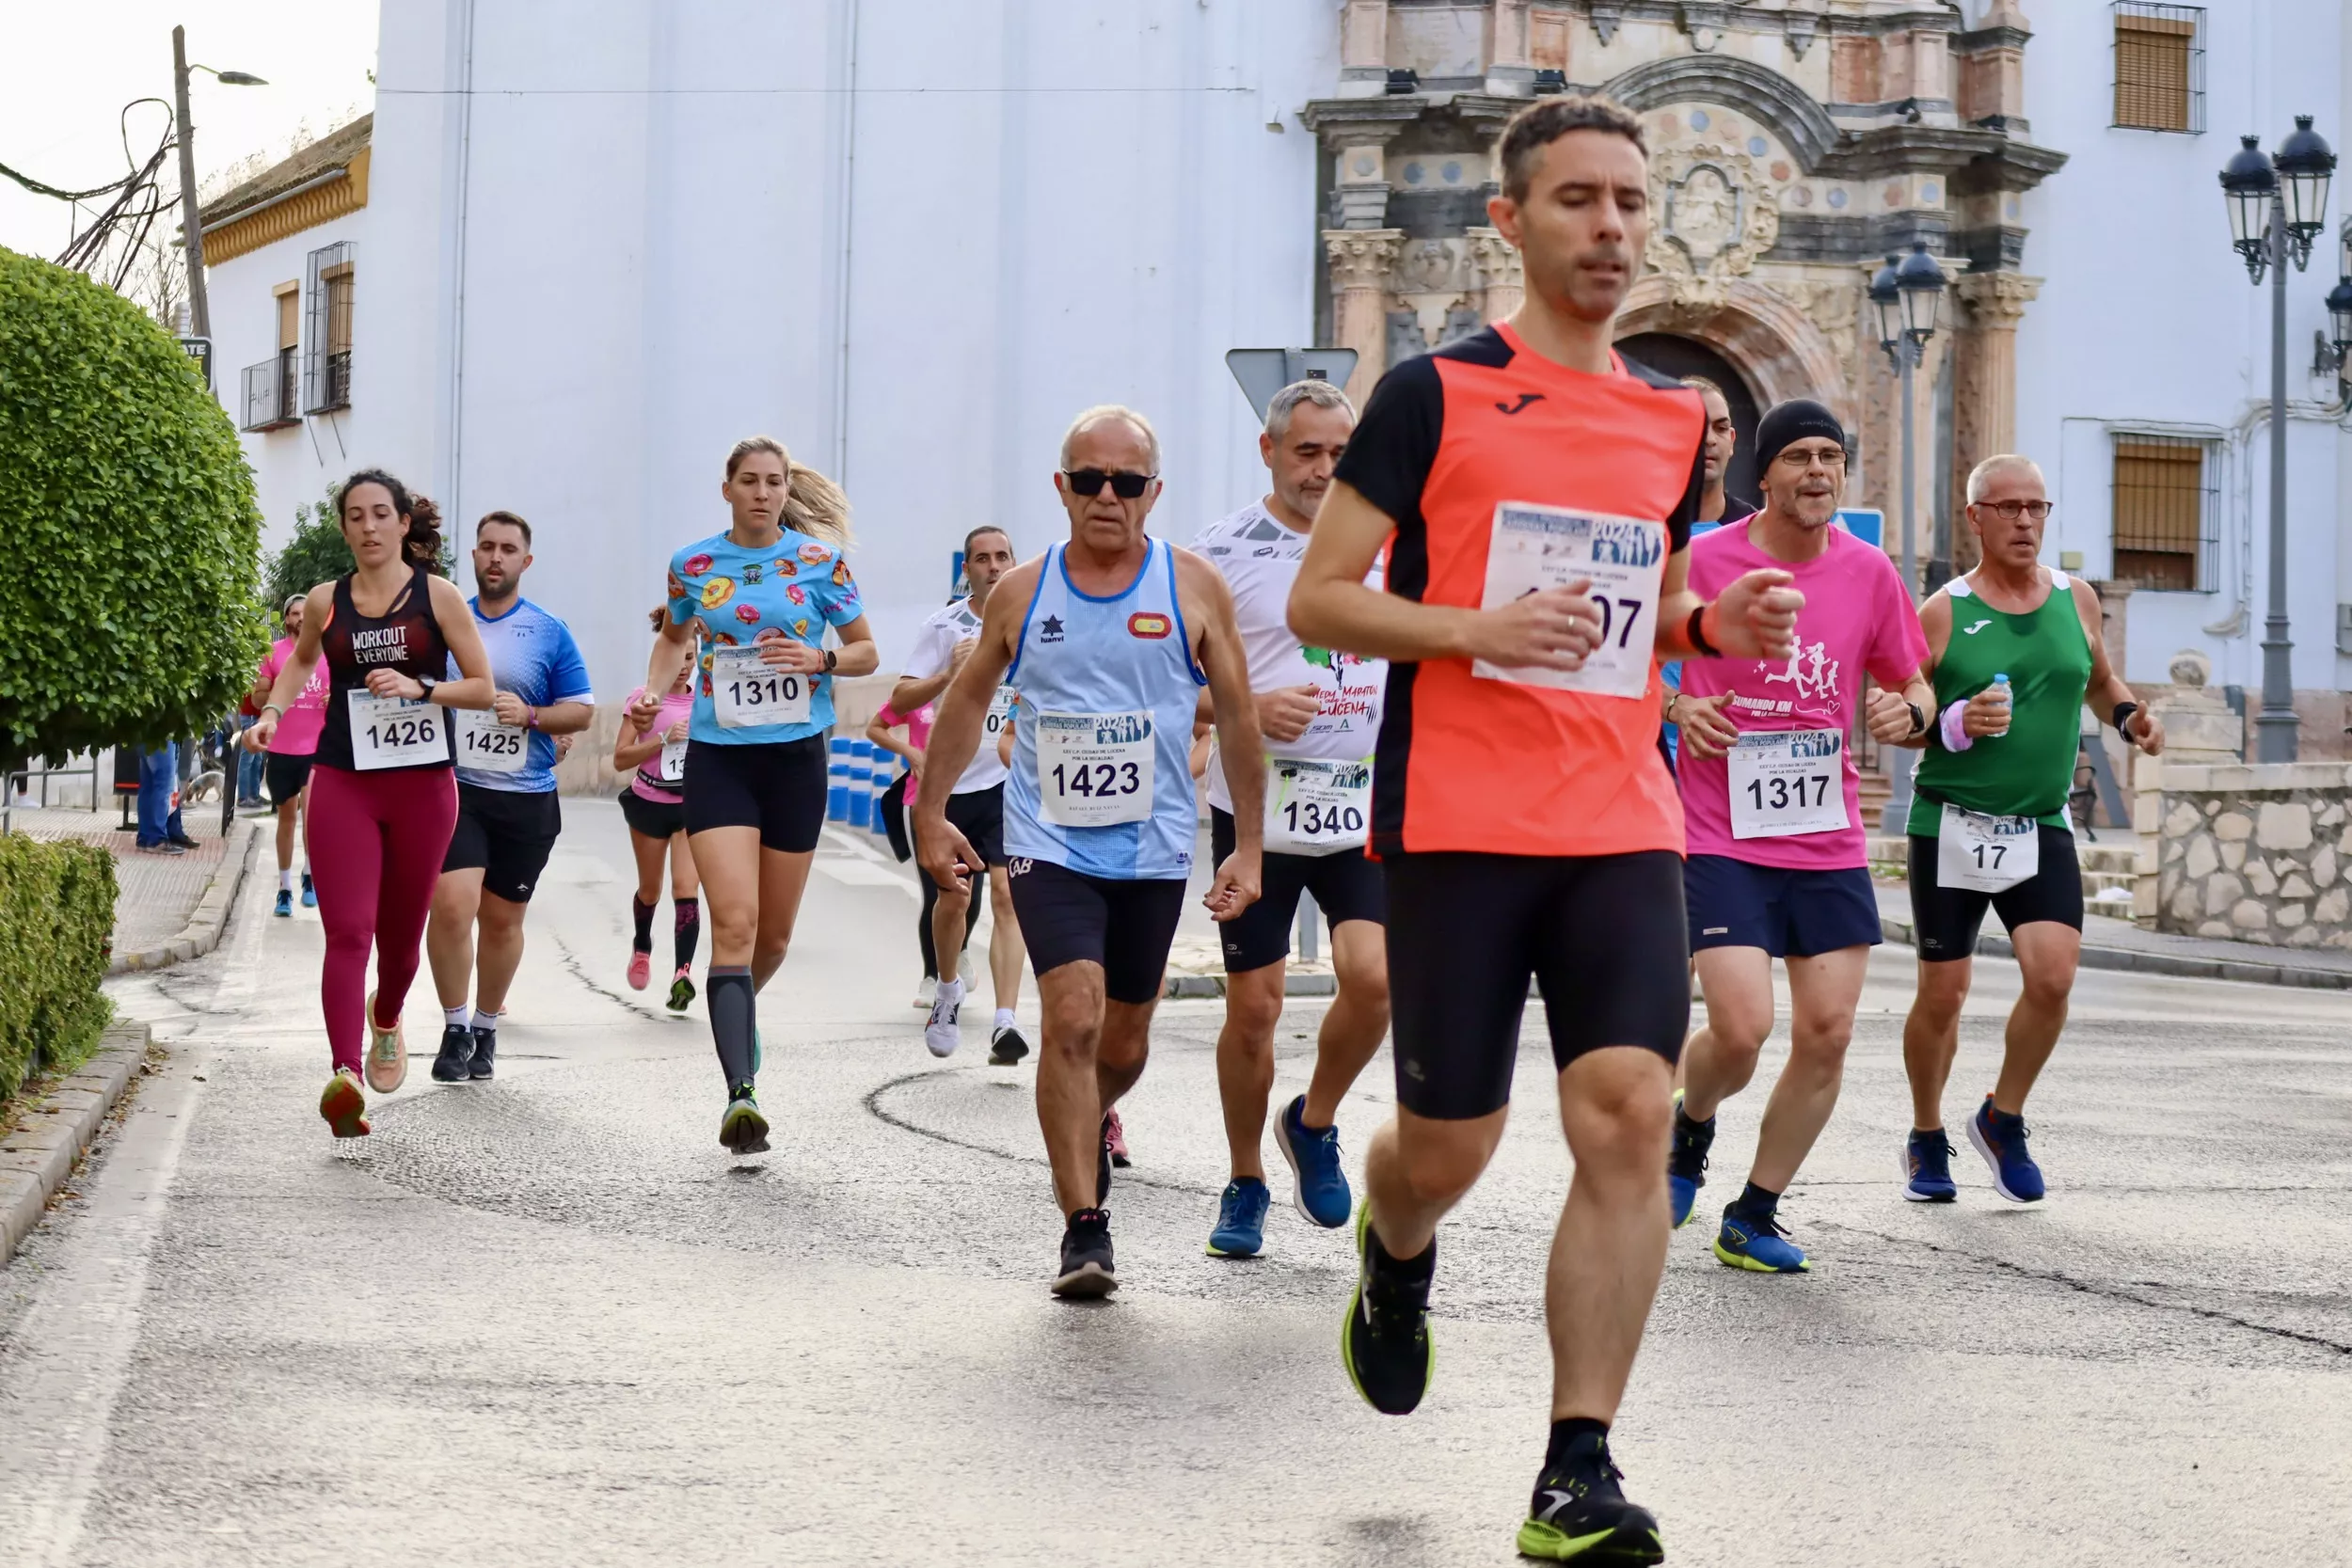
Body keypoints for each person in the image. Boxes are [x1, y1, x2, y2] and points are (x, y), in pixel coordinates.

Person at [1286, 94, 1803, 1563]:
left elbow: (1627, 627)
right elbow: (1328, 598)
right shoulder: (1431, 395)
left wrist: (1713, 618)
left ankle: (1579, 1464)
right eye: (1579, 200)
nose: (1614, 227)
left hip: (1620, 813)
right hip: (1455, 814)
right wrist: (1474, 625)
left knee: (1632, 1111)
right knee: (1450, 1142)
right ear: (1509, 222)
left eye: (1631, 201)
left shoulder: (1671, 418)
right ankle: (1396, 1253)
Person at [915, 404, 1263, 1299]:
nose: (1108, 498)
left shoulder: (1192, 588)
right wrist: (932, 808)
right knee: (1070, 1018)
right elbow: (963, 702)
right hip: (1047, 839)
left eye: (1128, 482)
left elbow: (1243, 722)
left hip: (1151, 850)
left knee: (1126, 1040)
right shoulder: (1022, 593)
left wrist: (1249, 846)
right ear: (1062, 487)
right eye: (1089, 480)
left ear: (1154, 493)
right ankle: (1083, 1226)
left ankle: (1086, 1118)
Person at [1662, 400, 1937, 1274]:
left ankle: (1753, 1210)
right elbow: (1626, 654)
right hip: (1720, 832)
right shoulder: (1704, 559)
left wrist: (1911, 712)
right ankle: (1689, 1123)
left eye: (1832, 456)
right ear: (1765, 475)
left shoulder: (1867, 573)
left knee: (1828, 1031)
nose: (1819, 471)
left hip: (1825, 836)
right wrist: (1675, 703)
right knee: (1741, 1030)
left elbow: (1916, 685)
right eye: (1800, 457)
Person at [1877, 453, 2162, 1205]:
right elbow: (1908, 720)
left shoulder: (2077, 599)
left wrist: (2130, 716)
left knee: (2054, 976)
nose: (2026, 521)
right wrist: (1958, 721)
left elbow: (2098, 682)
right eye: (2009, 508)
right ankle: (1927, 1134)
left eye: (2037, 507)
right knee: (1944, 993)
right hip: (1951, 822)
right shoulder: (1942, 610)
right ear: (1976, 517)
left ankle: (2003, 1119)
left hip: (2039, 822)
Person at [1190, 378, 1392, 1259]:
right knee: (1256, 1009)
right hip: (1256, 815)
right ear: (1269, 451)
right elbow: (1169, 683)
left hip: (1364, 806)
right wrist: (1246, 704)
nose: (1323, 469)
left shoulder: (1395, 543)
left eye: (1339, 452)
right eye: (1306, 451)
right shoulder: (1219, 552)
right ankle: (1245, 1178)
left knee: (1376, 979)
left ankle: (1312, 1121)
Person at [633, 436, 878, 1154]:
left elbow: (867, 650)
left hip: (797, 759)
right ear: (728, 489)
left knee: (772, 937)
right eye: (750, 480)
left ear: (784, 489)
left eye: (774, 481)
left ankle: (738, 1015)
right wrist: (653, 692)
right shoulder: (693, 564)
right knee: (733, 925)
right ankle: (741, 1094)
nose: (763, 492)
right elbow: (673, 638)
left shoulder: (819, 563)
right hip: (720, 759)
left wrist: (821, 656)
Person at [246, 469, 495, 1138]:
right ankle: (345, 1074)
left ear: (403, 523)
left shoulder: (437, 597)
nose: (368, 526)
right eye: (355, 516)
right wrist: (272, 713)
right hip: (344, 780)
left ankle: (385, 1015)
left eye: (380, 513)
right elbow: (300, 663)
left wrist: (421, 690)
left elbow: (481, 686)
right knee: (348, 930)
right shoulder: (328, 600)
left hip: (422, 786)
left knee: (401, 940)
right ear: (344, 528)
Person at [424, 512, 596, 1084]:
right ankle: (453, 1028)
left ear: (525, 561)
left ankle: (485, 1027)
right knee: (452, 904)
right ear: (472, 556)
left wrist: (534, 716)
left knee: (501, 921)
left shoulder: (549, 630)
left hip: (526, 797)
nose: (495, 557)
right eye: (486, 547)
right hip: (457, 790)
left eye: (508, 549)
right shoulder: (448, 621)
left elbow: (583, 709)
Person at [890, 527, 1032, 1064]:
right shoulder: (944, 626)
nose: (993, 567)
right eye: (982, 559)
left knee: (1007, 895)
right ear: (967, 569)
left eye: (1002, 557)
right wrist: (950, 672)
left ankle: (1006, 1021)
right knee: (954, 898)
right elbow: (900, 698)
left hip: (1008, 782)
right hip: (950, 787)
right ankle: (947, 987)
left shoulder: (1038, 619)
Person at [866, 695, 981, 1013]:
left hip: (973, 798)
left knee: (970, 890)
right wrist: (909, 751)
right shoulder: (918, 692)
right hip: (922, 802)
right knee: (937, 892)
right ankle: (931, 977)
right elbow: (875, 728)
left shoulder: (984, 685)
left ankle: (961, 950)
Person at [613, 608, 702, 1012]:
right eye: (676, 657)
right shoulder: (644, 701)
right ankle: (642, 946)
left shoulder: (706, 701)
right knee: (651, 890)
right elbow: (620, 758)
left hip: (691, 806)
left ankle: (682, 973)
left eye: (690, 658)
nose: (683, 667)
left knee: (687, 889)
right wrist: (662, 739)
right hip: (649, 803)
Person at [1657, 373, 1746, 770]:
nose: (1709, 438)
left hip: (1740, 753)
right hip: (1652, 748)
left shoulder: (1760, 531)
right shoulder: (1640, 528)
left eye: (1720, 427)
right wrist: (1676, 706)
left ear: (1733, 440)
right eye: (1695, 423)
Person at [250, 594, 329, 915]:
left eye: (305, 612)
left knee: (311, 817)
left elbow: (342, 691)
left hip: (316, 747)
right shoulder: (274, 653)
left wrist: (332, 696)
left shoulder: (327, 652)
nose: (301, 617)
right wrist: (278, 688)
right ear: (286, 619)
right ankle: (284, 888)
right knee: (287, 818)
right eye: (295, 613)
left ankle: (310, 875)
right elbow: (257, 699)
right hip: (281, 748)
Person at [133, 739, 196, 854]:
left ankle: (145, 837)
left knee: (148, 787)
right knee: (163, 785)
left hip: (145, 733)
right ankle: (156, 839)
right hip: (163, 733)